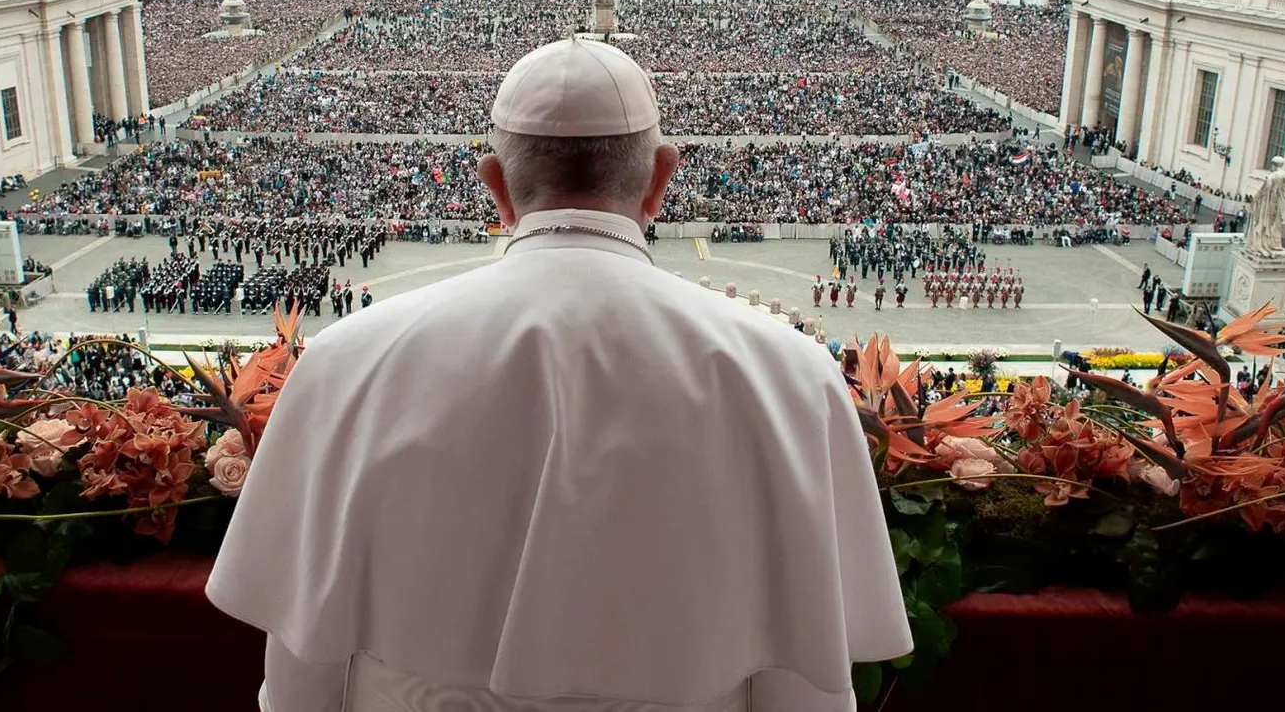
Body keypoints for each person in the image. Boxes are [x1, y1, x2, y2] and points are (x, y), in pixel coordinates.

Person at [208, 36, 911, 712]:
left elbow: (301, 663)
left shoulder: (344, 362)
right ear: (662, 178)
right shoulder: (789, 374)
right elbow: (805, 675)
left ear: (494, 186)